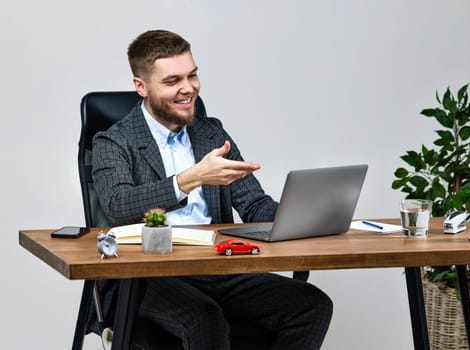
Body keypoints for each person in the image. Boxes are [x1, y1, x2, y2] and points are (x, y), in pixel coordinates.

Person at [91, 29, 332, 349]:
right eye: (172, 81)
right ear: (141, 87)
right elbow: (119, 205)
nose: (188, 88)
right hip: (145, 276)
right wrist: (191, 178)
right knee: (204, 317)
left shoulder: (211, 134)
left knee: (311, 306)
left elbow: (254, 205)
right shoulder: (113, 141)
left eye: (192, 75)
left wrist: (301, 218)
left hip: (214, 265)